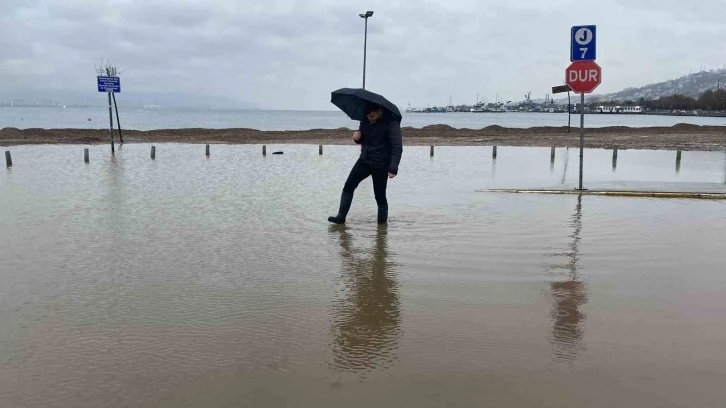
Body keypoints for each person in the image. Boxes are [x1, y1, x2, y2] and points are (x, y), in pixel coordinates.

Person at [328, 103, 403, 225]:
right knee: (348, 186)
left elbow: (397, 147)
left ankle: (382, 226)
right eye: (367, 114)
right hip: (364, 160)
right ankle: (340, 217)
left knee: (379, 195)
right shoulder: (364, 120)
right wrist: (357, 138)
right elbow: (363, 140)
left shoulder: (391, 123)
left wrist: (393, 168)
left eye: (371, 115)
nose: (369, 116)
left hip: (381, 164)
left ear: (379, 111)